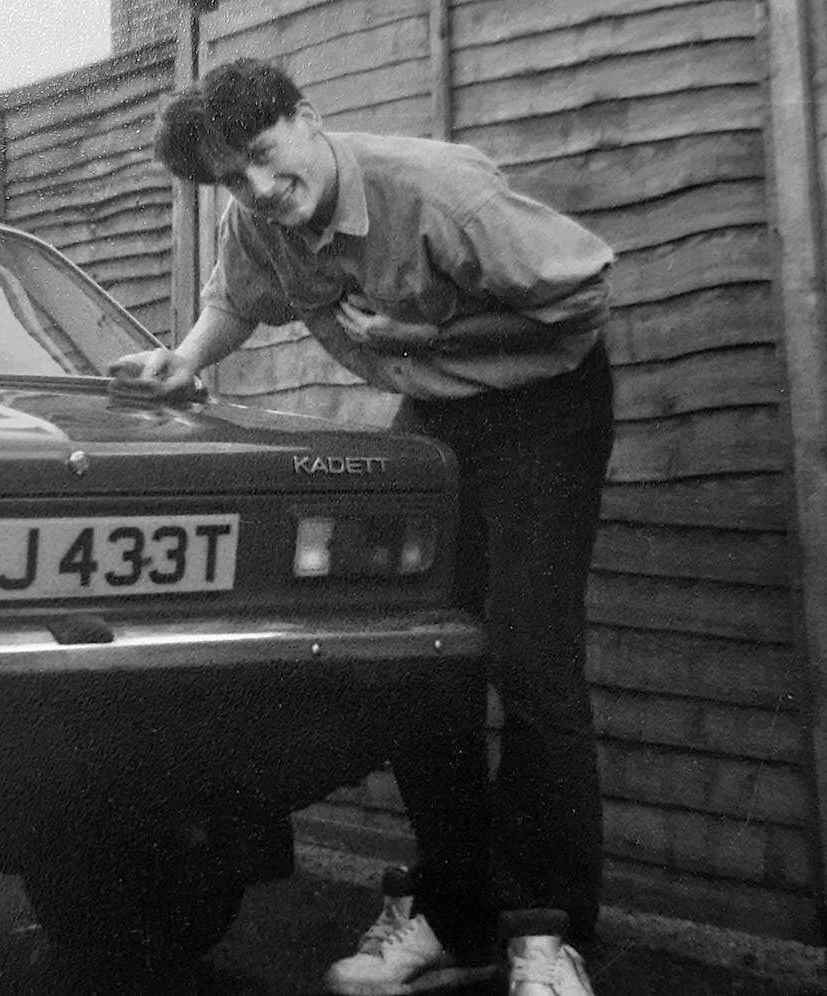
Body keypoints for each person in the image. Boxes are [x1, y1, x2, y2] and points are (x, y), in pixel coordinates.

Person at [110, 58, 614, 995]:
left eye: (264, 155)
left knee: (533, 658)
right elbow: (237, 298)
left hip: (546, 410)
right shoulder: (257, 220)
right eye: (233, 178)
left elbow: (582, 298)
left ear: (307, 118)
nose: (260, 188)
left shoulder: (439, 193)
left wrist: (434, 341)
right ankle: (456, 916)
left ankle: (548, 934)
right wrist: (184, 361)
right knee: (421, 655)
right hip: (440, 421)